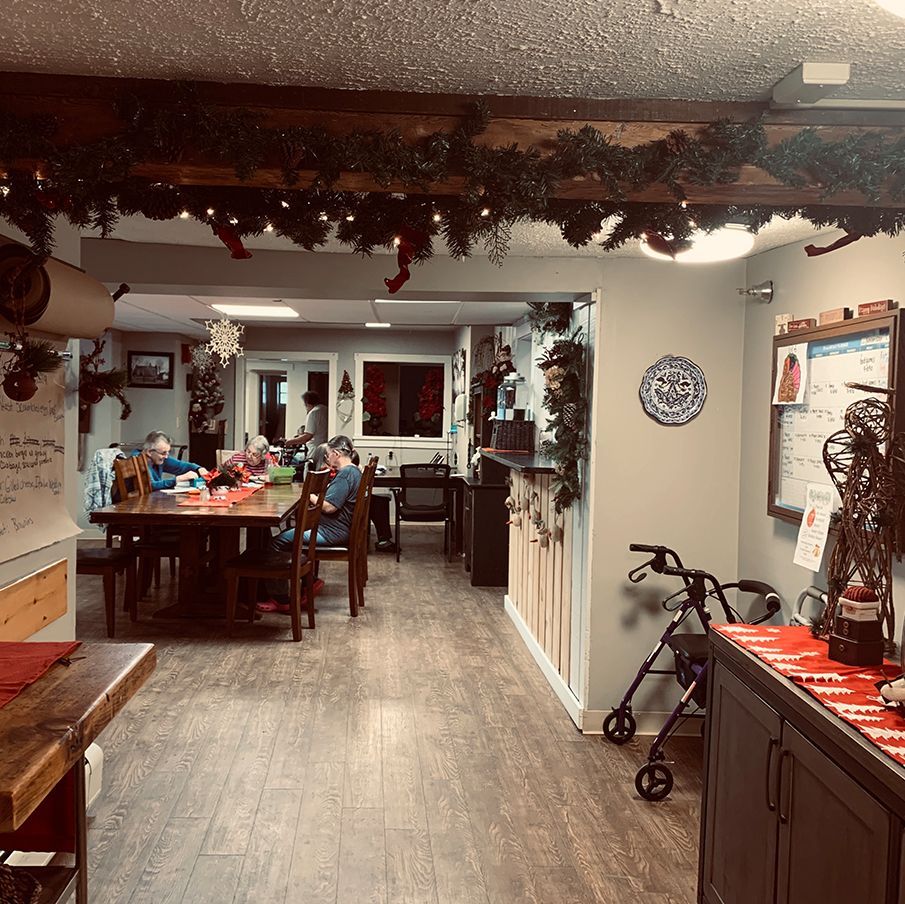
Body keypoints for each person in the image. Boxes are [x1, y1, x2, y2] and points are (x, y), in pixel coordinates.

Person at [257, 435, 361, 612]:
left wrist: (307, 495)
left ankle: (281, 599)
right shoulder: (355, 471)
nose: (327, 459)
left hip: (331, 532)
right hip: (336, 529)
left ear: (336, 453)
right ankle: (310, 581)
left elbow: (329, 507)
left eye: (328, 455)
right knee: (287, 536)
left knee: (277, 543)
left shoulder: (345, 474)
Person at [309, 443, 394, 552]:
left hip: (337, 530)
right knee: (379, 502)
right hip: (345, 524)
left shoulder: (347, 472)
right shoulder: (352, 470)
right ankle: (384, 539)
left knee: (379, 502)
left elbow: (330, 507)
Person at [135, 431, 208, 491]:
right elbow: (152, 485)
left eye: (168, 452)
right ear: (149, 452)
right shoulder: (138, 461)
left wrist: (199, 468)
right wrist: (178, 479)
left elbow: (180, 466)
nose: (166, 456)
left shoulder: (158, 458)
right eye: (163, 453)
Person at [285, 391, 328, 456]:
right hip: (326, 446)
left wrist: (290, 441)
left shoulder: (313, 413)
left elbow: (308, 436)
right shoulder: (326, 409)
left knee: (310, 465)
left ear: (307, 403)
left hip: (315, 448)